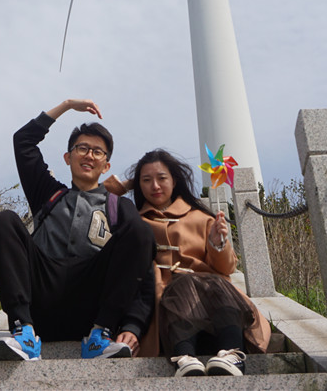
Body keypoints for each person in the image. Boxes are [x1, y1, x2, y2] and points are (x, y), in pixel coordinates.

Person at [0, 99, 155, 362]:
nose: (89, 155)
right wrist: (66, 105)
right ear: (68, 157)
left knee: (141, 232)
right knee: (3, 220)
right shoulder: (48, 194)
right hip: (40, 303)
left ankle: (101, 337)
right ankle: (23, 333)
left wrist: (133, 325)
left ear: (106, 166)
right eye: (82, 148)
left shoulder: (119, 207)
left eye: (98, 152)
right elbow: (23, 142)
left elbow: (142, 266)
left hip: (93, 311)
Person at [110, 149, 271, 377]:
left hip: (213, 308)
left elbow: (227, 269)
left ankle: (231, 354)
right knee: (182, 285)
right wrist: (128, 184)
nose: (155, 186)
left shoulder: (202, 218)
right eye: (146, 180)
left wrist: (217, 244)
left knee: (212, 282)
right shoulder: (134, 222)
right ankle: (184, 356)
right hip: (166, 315)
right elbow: (98, 200)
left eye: (162, 178)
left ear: (175, 180)